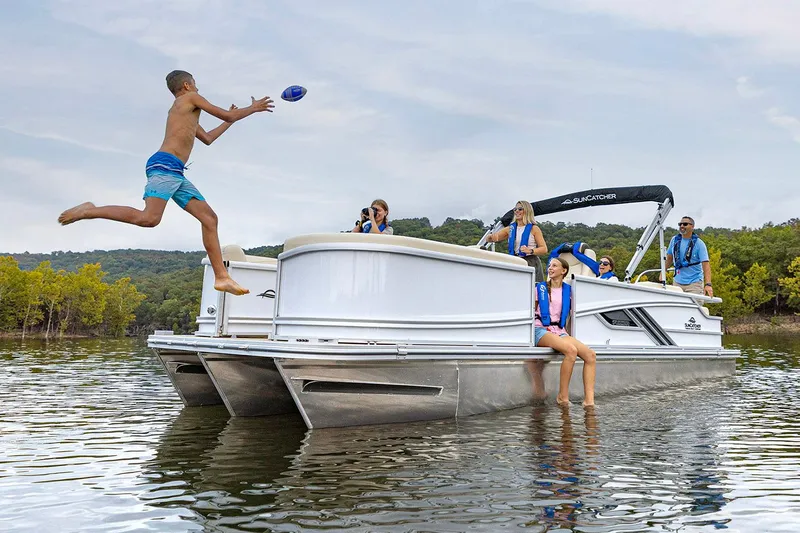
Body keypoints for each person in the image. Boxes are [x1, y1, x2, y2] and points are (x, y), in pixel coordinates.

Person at [57, 70, 274, 295]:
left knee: (209, 219)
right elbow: (226, 116)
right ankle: (90, 211)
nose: (198, 89)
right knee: (149, 218)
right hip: (164, 166)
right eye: (196, 84)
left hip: (175, 171)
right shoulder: (189, 98)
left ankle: (221, 277)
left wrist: (232, 119)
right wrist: (253, 108)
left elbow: (208, 138)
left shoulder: (186, 112)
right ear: (188, 85)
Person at [534, 257, 596, 406]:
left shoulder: (568, 291)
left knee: (590, 355)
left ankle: (589, 401)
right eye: (549, 265)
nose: (550, 268)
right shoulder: (540, 289)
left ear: (564, 271)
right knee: (570, 351)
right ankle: (563, 396)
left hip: (560, 331)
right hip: (541, 330)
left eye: (554, 266)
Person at [486, 200, 548, 281]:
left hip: (531, 262)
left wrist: (530, 250)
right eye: (515, 209)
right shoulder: (510, 229)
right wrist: (491, 237)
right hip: (515, 261)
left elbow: (544, 249)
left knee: (534, 290)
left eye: (520, 209)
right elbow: (490, 238)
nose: (517, 211)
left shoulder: (534, 229)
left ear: (527, 211)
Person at [664, 216, 713, 297]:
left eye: (685, 224)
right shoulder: (674, 240)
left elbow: (706, 264)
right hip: (677, 282)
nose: (682, 226)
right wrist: (664, 271)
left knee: (693, 308)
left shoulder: (699, 244)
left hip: (694, 283)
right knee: (676, 308)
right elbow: (670, 257)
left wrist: (708, 284)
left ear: (692, 226)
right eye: (680, 224)